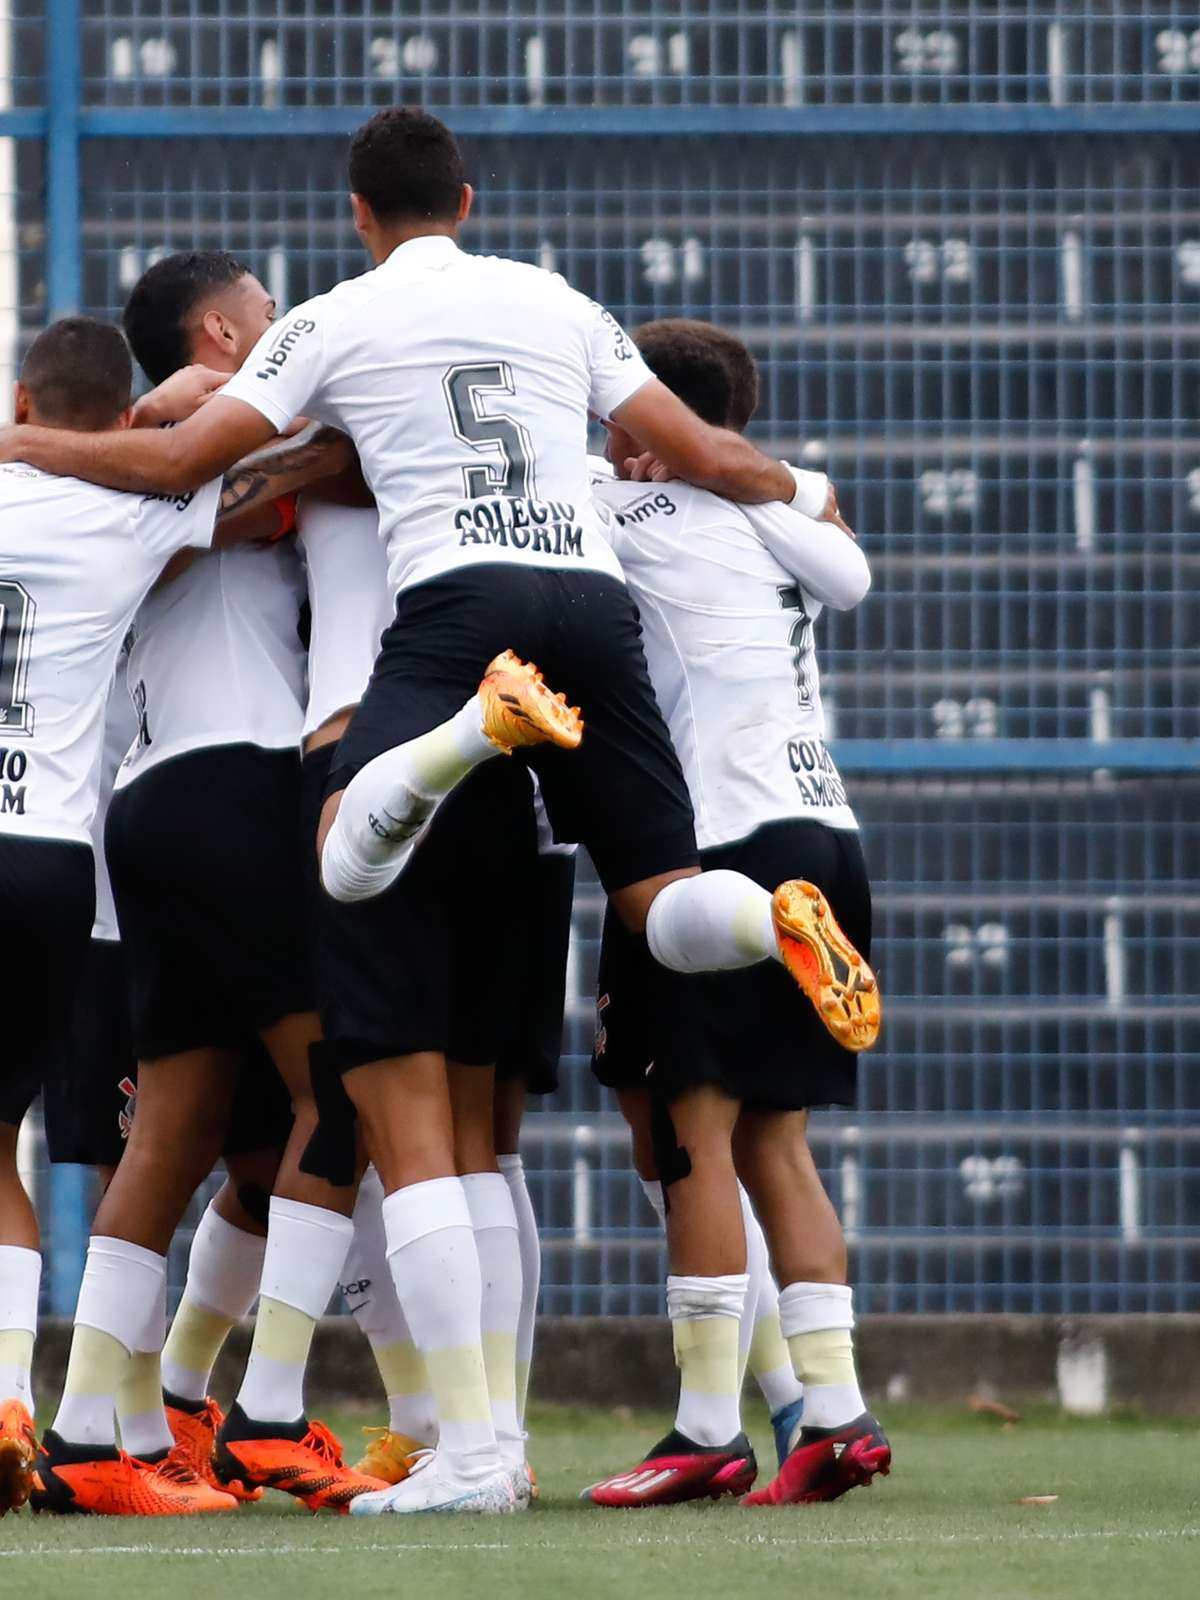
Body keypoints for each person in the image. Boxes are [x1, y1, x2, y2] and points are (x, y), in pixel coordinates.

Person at [0, 107, 878, 1516]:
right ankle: (763, 925)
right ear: (467, 197)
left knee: (348, 1098)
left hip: (341, 722)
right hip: (556, 670)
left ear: (357, 215)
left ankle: (369, 1433)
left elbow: (187, 468)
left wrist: (53, 438)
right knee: (568, 1006)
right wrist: (803, 491)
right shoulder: (554, 309)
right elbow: (695, 455)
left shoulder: (323, 349)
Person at [33, 254, 385, 1517]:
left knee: (184, 1139)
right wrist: (204, 401)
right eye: (269, 318)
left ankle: (96, 1433)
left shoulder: (94, 490)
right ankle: (266, 1413)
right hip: (237, 791)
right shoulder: (181, 442)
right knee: (342, 1098)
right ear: (222, 329)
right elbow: (326, 461)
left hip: (151, 810)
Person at [580, 320, 889, 1508]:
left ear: (659, 431)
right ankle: (840, 1414)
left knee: (687, 1138)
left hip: (704, 854)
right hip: (823, 829)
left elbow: (523, 508)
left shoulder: (632, 512)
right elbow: (852, 570)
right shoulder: (791, 515)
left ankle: (706, 1427)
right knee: (778, 1139)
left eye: (625, 425)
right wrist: (788, 477)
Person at [0, 319, 232, 1516]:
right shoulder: (131, 517)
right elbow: (262, 474)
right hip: (49, 856)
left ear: (26, 394)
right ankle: (12, 1404)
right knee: (16, 1144)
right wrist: (178, 411)